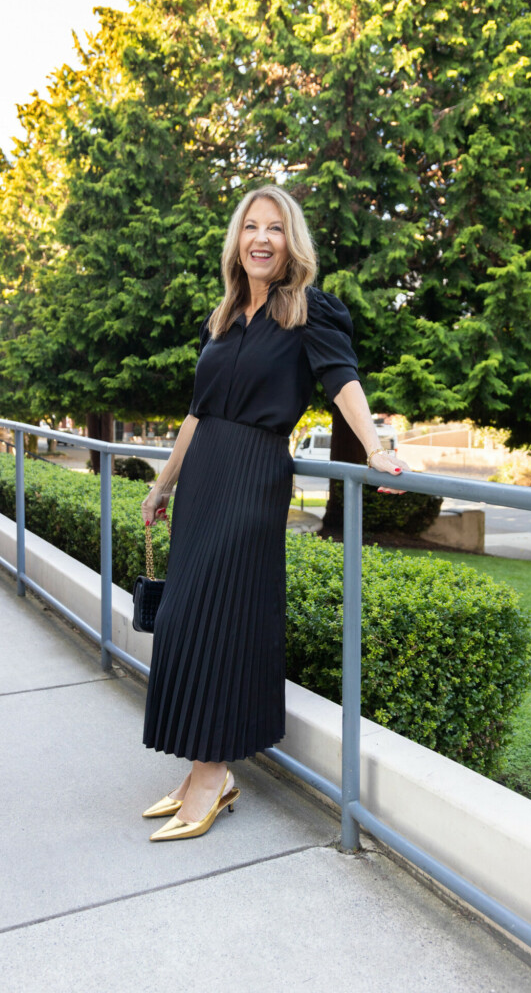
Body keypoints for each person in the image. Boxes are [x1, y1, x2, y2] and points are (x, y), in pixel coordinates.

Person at [140, 184, 409, 842]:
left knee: (216, 619)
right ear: (238, 240)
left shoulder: (308, 310)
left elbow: (342, 378)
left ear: (292, 244)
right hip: (203, 482)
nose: (261, 238)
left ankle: (213, 775)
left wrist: (375, 448)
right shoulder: (227, 315)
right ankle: (205, 771)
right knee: (181, 620)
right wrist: (163, 484)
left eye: (276, 228)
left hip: (255, 477)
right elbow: (198, 413)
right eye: (251, 226)